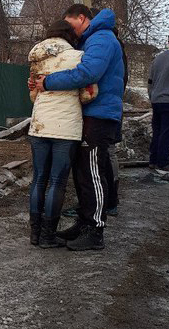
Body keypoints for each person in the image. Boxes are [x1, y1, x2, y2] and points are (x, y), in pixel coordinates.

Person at [34, 5, 124, 251]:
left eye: (69, 23)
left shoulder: (101, 39)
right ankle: (84, 223)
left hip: (100, 115)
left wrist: (49, 81)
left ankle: (95, 231)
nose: (68, 29)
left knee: (93, 171)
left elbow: (88, 72)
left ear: (81, 18)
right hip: (91, 114)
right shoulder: (91, 40)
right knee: (83, 172)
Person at [28, 20, 97, 249]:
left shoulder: (38, 60)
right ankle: (48, 236)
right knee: (57, 182)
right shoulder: (79, 57)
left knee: (39, 179)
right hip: (66, 129)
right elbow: (89, 93)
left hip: (40, 125)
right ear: (70, 36)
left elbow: (33, 95)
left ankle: (35, 234)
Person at [148, 32, 169, 173]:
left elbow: (150, 81)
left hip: (156, 100)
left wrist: (152, 96)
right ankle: (163, 162)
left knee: (157, 131)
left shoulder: (158, 59)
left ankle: (153, 160)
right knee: (168, 132)